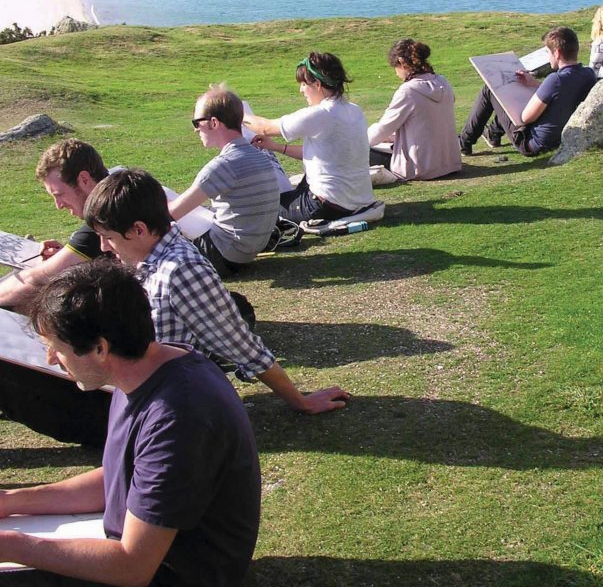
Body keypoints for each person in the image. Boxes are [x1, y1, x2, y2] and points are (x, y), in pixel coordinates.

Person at [0, 259, 261, 586]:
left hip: (170, 572)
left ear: (100, 348)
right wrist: (12, 501)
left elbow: (133, 568)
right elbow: (124, 476)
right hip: (144, 554)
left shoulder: (177, 417)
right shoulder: (147, 368)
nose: (51, 359)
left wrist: (12, 545)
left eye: (56, 349)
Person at [85, 168, 348, 415]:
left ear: (139, 230)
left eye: (107, 237)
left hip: (157, 404)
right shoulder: (148, 258)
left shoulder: (182, 271)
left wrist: (300, 401)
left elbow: (241, 346)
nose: (104, 246)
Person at [245, 52, 375, 223]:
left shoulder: (320, 114)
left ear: (318, 84)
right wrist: (275, 146)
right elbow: (320, 154)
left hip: (327, 206)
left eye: (304, 84)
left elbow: (264, 127)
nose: (301, 90)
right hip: (357, 201)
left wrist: (235, 112)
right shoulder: (354, 110)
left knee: (255, 210)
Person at [167, 87, 280, 278]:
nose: (196, 130)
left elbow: (170, 214)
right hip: (249, 250)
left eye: (197, 122)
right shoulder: (259, 156)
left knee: (161, 198)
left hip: (225, 255)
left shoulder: (223, 165)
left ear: (214, 123)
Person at [0, 139, 108, 313]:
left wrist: (61, 262)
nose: (58, 205)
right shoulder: (119, 190)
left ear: (84, 179)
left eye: (59, 194)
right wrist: (65, 255)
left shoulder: (105, 217)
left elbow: (35, 280)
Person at [459, 26, 596, 157]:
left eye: (548, 52)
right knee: (512, 100)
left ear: (557, 53)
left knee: (488, 90)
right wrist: (535, 84)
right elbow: (562, 93)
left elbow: (525, 118)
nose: (548, 57)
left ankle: (464, 142)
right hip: (560, 138)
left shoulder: (555, 80)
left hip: (532, 143)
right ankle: (493, 134)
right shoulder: (588, 74)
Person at [367, 38, 461, 180]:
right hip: (449, 163)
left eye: (395, 67)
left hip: (420, 168)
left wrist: (357, 140)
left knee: (364, 150)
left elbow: (382, 129)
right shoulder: (443, 82)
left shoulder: (408, 91)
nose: (396, 73)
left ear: (402, 63)